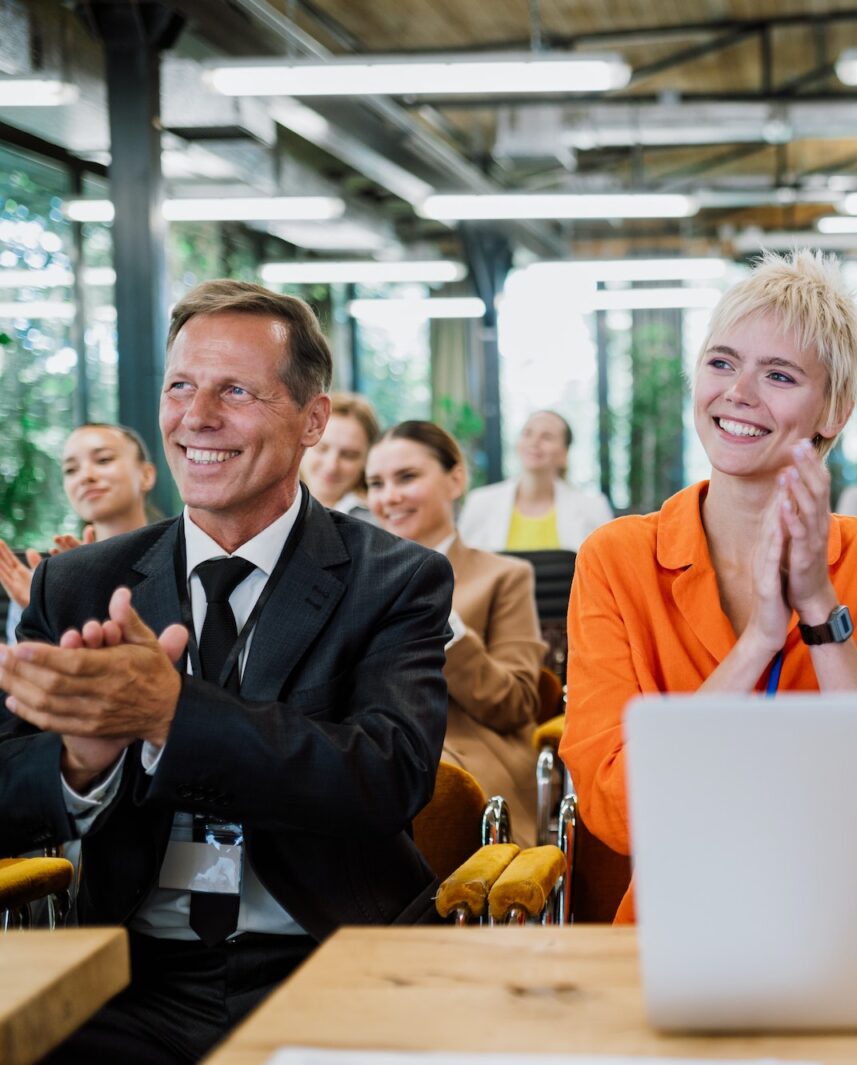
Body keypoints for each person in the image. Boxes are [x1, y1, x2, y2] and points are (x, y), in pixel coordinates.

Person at [0, 279, 452, 1063]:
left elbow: (388, 775)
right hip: (125, 974)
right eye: (181, 386)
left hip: (331, 957)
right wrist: (82, 761)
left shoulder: (397, 577)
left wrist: (172, 715)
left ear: (314, 418)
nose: (196, 417)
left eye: (235, 390)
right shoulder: (75, 584)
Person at [560, 249, 857, 924]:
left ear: (835, 412)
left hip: (846, 912)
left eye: (780, 375)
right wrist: (758, 640)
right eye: (722, 362)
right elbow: (616, 809)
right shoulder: (617, 558)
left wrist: (817, 607)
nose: (738, 392)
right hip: (679, 916)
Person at [367, 420, 547, 844]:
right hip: (368, 747)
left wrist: (441, 616)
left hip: (468, 754)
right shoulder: (356, 581)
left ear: (456, 479)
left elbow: (517, 704)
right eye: (376, 483)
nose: (389, 496)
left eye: (407, 477)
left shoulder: (505, 576)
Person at [0, 423, 160, 643]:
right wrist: (41, 611)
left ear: (146, 475)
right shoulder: (53, 578)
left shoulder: (184, 554)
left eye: (103, 460)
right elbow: (24, 671)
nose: (86, 476)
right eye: (71, 470)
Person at [458, 409, 613, 552]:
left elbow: (607, 570)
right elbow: (462, 570)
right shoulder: (480, 503)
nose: (534, 442)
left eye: (547, 437)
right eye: (527, 433)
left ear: (564, 454)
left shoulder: (593, 508)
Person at [300, 391, 380, 523]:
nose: (332, 466)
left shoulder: (379, 523)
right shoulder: (265, 507)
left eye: (349, 456)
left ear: (368, 461)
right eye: (322, 449)